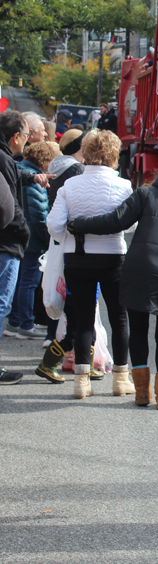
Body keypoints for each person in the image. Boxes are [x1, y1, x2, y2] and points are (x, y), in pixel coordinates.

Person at [68, 154, 158, 409]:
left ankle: (142, 394)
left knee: (138, 330)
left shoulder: (147, 194)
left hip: (139, 269)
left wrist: (79, 224)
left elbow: (116, 221)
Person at [47, 129, 134, 399]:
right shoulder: (124, 187)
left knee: (84, 319)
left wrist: (73, 230)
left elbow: (53, 225)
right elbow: (132, 223)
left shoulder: (69, 186)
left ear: (85, 153)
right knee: (119, 318)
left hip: (77, 258)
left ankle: (81, 382)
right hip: (113, 257)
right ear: (113, 154)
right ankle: (121, 379)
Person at [6, 143, 56, 341]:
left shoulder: (21, 170)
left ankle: (16, 321)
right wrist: (47, 238)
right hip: (33, 240)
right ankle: (25, 324)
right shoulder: (34, 179)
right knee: (29, 282)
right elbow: (38, 215)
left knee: (21, 281)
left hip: (24, 236)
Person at [0, 111, 31, 384]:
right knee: (1, 304)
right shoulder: (4, 159)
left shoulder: (5, 158)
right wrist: (24, 233)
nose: (29, 140)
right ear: (15, 137)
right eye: (27, 135)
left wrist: (34, 177)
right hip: (6, 243)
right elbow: (9, 205)